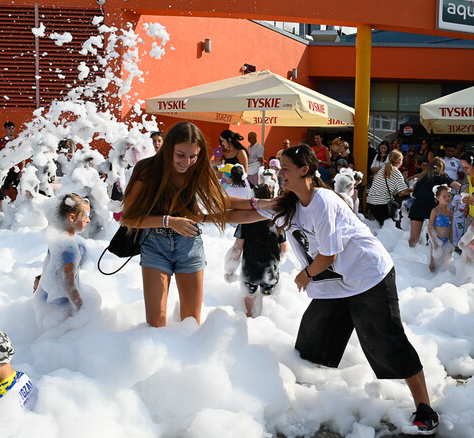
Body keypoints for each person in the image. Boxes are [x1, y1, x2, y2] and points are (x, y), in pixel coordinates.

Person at [247, 144, 440, 434]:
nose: (279, 173)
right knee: (313, 341)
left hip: (367, 275)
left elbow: (328, 256)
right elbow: (247, 209)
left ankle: (426, 408)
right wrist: (203, 210)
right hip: (335, 283)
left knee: (387, 340)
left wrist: (305, 275)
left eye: (285, 168)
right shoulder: (291, 201)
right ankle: (306, 404)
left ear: (304, 170)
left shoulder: (323, 201)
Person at [122, 122, 252, 327]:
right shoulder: (146, 169)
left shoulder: (198, 171)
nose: (187, 162)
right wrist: (169, 221)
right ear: (168, 148)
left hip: (189, 246)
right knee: (155, 325)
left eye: (194, 156)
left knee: (191, 325)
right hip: (155, 245)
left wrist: (258, 203)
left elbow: (221, 201)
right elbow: (128, 217)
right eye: (180, 155)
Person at [223, 184, 288, 317]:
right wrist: (280, 259)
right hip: (271, 270)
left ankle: (249, 316)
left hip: (250, 271)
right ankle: (264, 321)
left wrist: (230, 269)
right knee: (267, 297)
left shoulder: (245, 220)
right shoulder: (277, 220)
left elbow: (237, 249)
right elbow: (284, 247)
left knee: (249, 295)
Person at [34, 194, 91, 329]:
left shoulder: (57, 237)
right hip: (60, 303)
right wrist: (80, 306)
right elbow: (68, 281)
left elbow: (49, 267)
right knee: (57, 335)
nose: (88, 220)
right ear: (71, 217)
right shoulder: (69, 248)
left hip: (47, 298)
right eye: (85, 216)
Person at [408, 158, 455, 247]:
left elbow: (415, 193)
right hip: (432, 209)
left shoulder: (422, 176)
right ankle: (434, 259)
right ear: (442, 167)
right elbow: (450, 182)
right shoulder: (441, 175)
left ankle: (409, 257)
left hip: (418, 207)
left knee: (413, 239)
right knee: (437, 239)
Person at [366, 150, 409, 227]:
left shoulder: (384, 168)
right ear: (400, 161)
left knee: (382, 225)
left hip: (371, 202)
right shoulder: (396, 171)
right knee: (388, 226)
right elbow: (402, 192)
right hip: (381, 204)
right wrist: (414, 189)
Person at [428, 184, 454, 272]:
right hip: (435, 240)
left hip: (446, 240)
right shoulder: (435, 211)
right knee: (433, 263)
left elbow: (451, 229)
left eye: (449, 196)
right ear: (438, 198)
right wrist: (434, 242)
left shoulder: (450, 212)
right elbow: (430, 227)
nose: (447, 198)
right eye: (444, 196)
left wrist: (451, 242)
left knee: (446, 263)